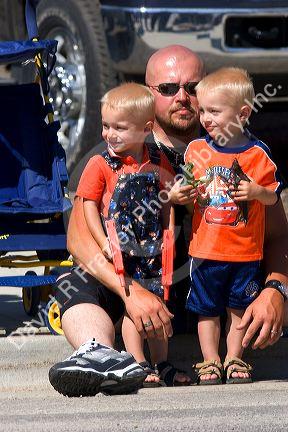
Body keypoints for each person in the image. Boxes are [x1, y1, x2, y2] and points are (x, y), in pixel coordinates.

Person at [49, 45, 288, 397]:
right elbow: (79, 241)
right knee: (76, 279)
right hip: (142, 281)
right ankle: (97, 354)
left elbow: (280, 234)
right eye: (168, 89)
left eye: (193, 87)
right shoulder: (117, 153)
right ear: (148, 94)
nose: (183, 97)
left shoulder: (245, 153)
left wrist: (276, 289)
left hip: (221, 284)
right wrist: (130, 292)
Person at [182, 67, 282, 384]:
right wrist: (184, 193)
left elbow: (273, 198)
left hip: (245, 251)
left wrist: (256, 191)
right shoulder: (197, 150)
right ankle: (210, 360)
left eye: (214, 111)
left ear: (242, 113)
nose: (205, 119)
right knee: (207, 308)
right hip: (206, 249)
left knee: (238, 309)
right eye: (203, 111)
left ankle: (234, 358)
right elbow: (184, 195)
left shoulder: (258, 155)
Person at [77, 82, 181, 387]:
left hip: (154, 247)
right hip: (120, 247)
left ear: (145, 128)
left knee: (159, 301)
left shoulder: (158, 160)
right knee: (134, 305)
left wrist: (169, 231)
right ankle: (138, 362)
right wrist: (104, 242)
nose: (109, 134)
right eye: (105, 126)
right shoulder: (100, 164)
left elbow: (167, 199)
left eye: (119, 128)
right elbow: (87, 207)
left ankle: (162, 363)